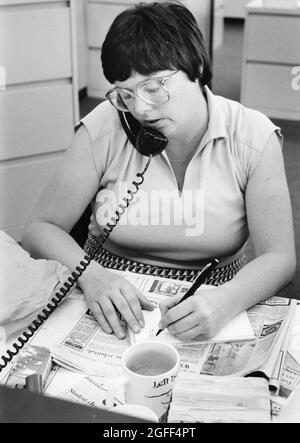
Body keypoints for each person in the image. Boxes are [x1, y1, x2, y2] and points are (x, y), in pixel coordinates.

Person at [22, 2, 296, 342]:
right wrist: (91, 276)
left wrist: (226, 301)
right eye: (125, 94)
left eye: (154, 88)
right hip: (109, 294)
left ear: (195, 65)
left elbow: (279, 257)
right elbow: (39, 229)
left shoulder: (253, 136)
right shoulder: (104, 127)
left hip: (214, 298)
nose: (140, 108)